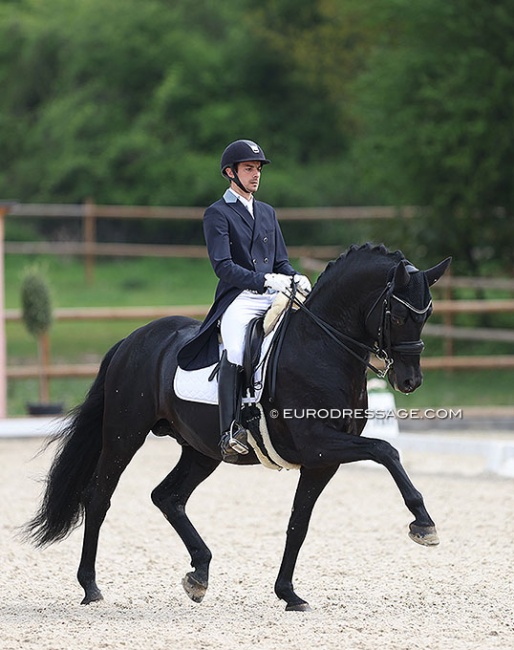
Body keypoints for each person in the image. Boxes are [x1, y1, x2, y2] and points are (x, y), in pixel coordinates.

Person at [177, 139, 311, 462]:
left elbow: (280, 262)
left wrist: (294, 278)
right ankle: (229, 430)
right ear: (230, 172)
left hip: (271, 294)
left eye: (257, 169)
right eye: (249, 169)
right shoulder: (217, 214)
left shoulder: (267, 212)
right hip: (238, 298)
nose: (255, 175)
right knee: (237, 348)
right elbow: (223, 267)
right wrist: (265, 280)